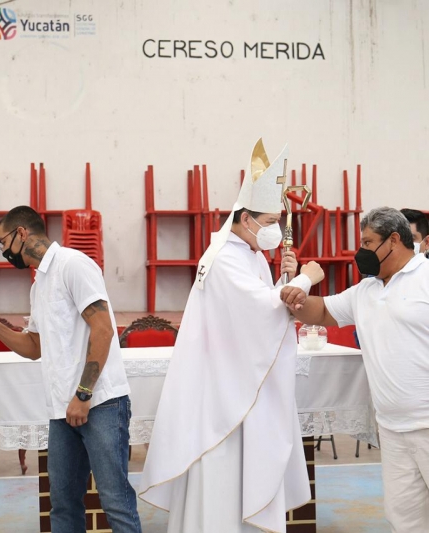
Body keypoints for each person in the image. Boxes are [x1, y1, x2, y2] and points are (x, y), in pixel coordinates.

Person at [281, 207, 429, 532]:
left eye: (367, 242)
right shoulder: (367, 290)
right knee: (408, 521)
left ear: (393, 240)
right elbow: (321, 313)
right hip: (394, 430)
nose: (360, 251)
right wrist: (295, 296)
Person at [139, 139, 325, 533]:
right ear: (245, 218)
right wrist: (307, 278)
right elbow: (260, 312)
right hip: (227, 396)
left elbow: (257, 309)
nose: (277, 231)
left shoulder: (249, 253)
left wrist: (286, 276)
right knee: (223, 489)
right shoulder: (224, 258)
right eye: (272, 222)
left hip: (236, 384)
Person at [0, 206, 141, 533]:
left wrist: (83, 395)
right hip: (62, 411)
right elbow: (35, 346)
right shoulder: (39, 285)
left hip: (99, 403)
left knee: (115, 501)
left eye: (3, 243)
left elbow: (103, 329)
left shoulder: (73, 265)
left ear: (22, 233)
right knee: (63, 503)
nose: (5, 252)